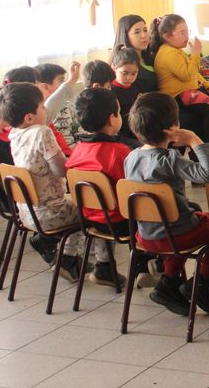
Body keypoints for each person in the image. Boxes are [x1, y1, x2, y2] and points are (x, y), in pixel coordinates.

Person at [123, 92, 209, 315]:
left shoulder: (130, 157)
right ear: (174, 127)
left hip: (145, 235)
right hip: (176, 234)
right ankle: (202, 284)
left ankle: (169, 284)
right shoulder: (169, 160)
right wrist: (193, 140)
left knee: (188, 218)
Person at [66, 88, 157, 288]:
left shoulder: (77, 150)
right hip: (119, 222)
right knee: (153, 208)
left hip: (89, 219)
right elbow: (134, 190)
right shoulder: (119, 152)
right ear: (112, 118)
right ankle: (148, 265)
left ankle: (105, 267)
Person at [0, 82, 86, 281]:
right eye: (42, 106)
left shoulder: (15, 134)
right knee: (89, 211)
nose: (46, 110)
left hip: (27, 212)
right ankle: (69, 259)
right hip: (50, 212)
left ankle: (62, 252)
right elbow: (62, 170)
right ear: (29, 117)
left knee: (75, 204)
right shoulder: (42, 132)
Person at [150, 14, 209, 175]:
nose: (186, 36)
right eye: (182, 33)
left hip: (188, 92)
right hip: (177, 96)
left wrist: (208, 85)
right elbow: (187, 74)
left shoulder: (175, 51)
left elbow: (193, 74)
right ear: (167, 36)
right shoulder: (168, 53)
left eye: (187, 31)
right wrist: (196, 53)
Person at [4, 65, 73, 157]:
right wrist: (73, 79)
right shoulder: (39, 122)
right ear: (28, 90)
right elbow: (55, 102)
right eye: (38, 82)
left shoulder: (16, 128)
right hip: (64, 164)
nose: (43, 84)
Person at [36, 62, 83, 153]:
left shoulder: (67, 105)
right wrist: (73, 79)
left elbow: (78, 129)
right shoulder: (42, 114)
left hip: (77, 150)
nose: (64, 83)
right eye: (61, 80)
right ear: (44, 86)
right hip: (62, 155)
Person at [113, 14, 156, 93]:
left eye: (145, 30)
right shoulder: (121, 64)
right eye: (137, 32)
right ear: (125, 36)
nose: (143, 35)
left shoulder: (150, 57)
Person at [110, 46, 143, 140]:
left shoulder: (137, 87)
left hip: (137, 131)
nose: (129, 78)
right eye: (124, 73)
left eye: (134, 73)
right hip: (121, 135)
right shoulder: (111, 91)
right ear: (114, 68)